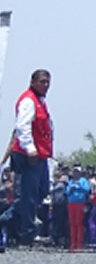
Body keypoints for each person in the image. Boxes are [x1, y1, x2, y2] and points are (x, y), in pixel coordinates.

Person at [9, 69, 53, 248]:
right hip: (30, 155)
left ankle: (11, 219)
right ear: (33, 82)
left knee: (41, 191)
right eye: (42, 81)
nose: (46, 85)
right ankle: (27, 233)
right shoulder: (28, 100)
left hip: (41, 155)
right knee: (29, 195)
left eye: (48, 81)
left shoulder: (41, 102)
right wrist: (30, 149)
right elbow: (22, 126)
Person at [65, 164, 91, 252]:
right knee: (72, 224)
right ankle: (73, 243)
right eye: (75, 172)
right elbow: (67, 192)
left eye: (77, 172)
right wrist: (71, 188)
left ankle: (79, 243)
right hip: (71, 203)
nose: (76, 174)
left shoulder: (83, 180)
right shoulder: (71, 181)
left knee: (79, 223)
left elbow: (87, 190)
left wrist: (79, 185)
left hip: (80, 203)